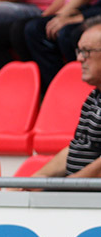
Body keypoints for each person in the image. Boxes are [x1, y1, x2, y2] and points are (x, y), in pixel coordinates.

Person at [30, 17, 101, 179]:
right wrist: (34, 181)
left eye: (87, 51)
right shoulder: (94, 97)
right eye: (79, 51)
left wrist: (66, 187)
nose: (79, 58)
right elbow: (77, 148)